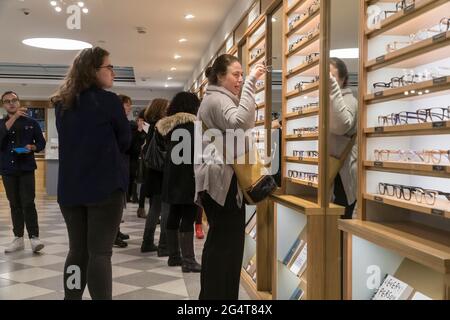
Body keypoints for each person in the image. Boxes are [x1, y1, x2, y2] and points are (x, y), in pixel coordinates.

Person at [52, 46, 131, 300]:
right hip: (104, 187)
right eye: (109, 67)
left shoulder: (61, 104)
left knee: (77, 250)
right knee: (100, 253)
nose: (113, 73)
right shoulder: (109, 101)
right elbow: (125, 140)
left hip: (71, 189)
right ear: (93, 70)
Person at [195, 54, 265, 299]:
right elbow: (241, 122)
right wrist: (251, 84)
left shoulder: (216, 99)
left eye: (242, 74)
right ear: (220, 76)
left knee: (225, 245)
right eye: (236, 74)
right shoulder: (217, 100)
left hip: (220, 182)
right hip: (221, 183)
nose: (240, 78)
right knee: (225, 246)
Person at [155, 92, 201, 272]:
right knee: (188, 216)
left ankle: (174, 256)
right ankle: (189, 261)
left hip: (171, 177)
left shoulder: (167, 127)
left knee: (174, 214)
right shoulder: (194, 127)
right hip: (189, 176)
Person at [0, 91, 46, 253]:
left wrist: (32, 147)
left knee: (28, 203)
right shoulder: (1, 123)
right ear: (3, 105)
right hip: (8, 169)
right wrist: (13, 118)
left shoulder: (31, 123)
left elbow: (41, 143)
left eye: (14, 100)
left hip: (26, 168)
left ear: (18, 102)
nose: (11, 103)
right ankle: (18, 238)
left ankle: (34, 237)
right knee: (15, 204)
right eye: (7, 101)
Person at [140, 99, 170, 255]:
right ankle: (163, 244)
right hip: (162, 171)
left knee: (155, 207)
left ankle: (147, 241)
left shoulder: (151, 125)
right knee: (165, 208)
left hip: (152, 171)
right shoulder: (162, 125)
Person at [329, 57, 358, 219]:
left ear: (342, 79)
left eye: (331, 76)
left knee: (342, 222)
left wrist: (331, 86)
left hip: (343, 172)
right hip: (333, 172)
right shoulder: (328, 101)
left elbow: (341, 126)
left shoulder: (349, 101)